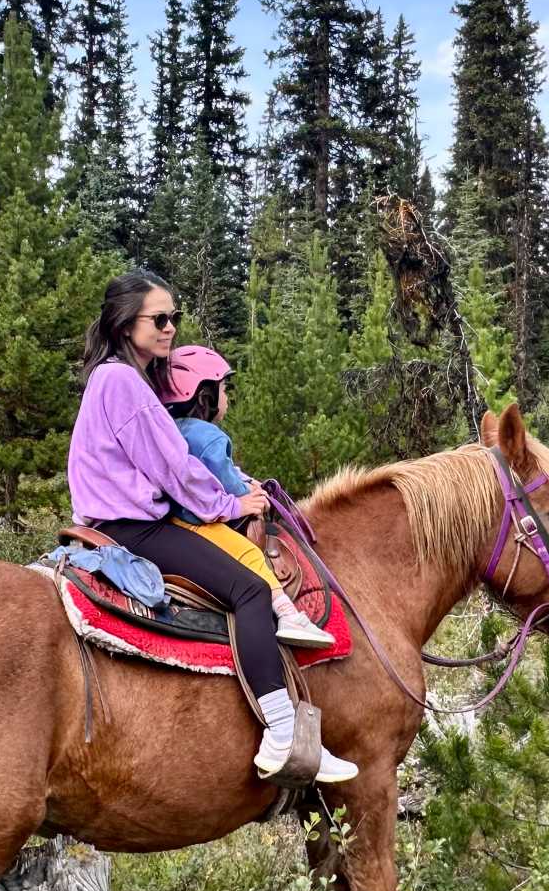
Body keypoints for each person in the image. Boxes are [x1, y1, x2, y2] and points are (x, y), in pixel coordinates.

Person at [66, 271, 359, 785]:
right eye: (158, 319)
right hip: (134, 528)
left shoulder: (111, 378)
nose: (170, 328)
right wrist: (230, 503)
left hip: (115, 520)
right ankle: (281, 731)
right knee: (249, 590)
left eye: (173, 318)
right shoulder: (121, 381)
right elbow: (173, 466)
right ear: (123, 323)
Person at [157, 345, 336, 647]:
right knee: (249, 554)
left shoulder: (168, 430)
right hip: (201, 519)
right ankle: (287, 613)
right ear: (204, 397)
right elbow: (226, 480)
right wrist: (249, 494)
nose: (227, 397)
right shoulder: (210, 436)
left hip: (172, 520)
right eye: (223, 388)